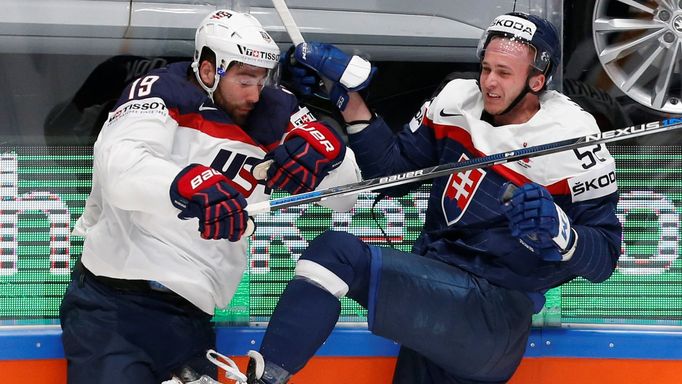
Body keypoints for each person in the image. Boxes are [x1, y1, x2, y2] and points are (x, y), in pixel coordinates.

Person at [246, 12, 622, 384]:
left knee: (335, 255)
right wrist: (348, 100)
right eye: (486, 67)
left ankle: (265, 378)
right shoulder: (456, 99)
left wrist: (562, 232)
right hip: (445, 305)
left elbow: (603, 256)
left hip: (492, 315)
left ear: (537, 80)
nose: (489, 82)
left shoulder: (572, 136)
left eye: (504, 73)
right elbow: (391, 176)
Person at [59, 9, 361, 384]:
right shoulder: (159, 91)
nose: (254, 93)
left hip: (192, 318)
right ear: (208, 69)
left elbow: (344, 198)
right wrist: (189, 182)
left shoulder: (276, 107)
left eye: (261, 79)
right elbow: (121, 168)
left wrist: (329, 151)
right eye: (244, 79)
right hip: (113, 306)